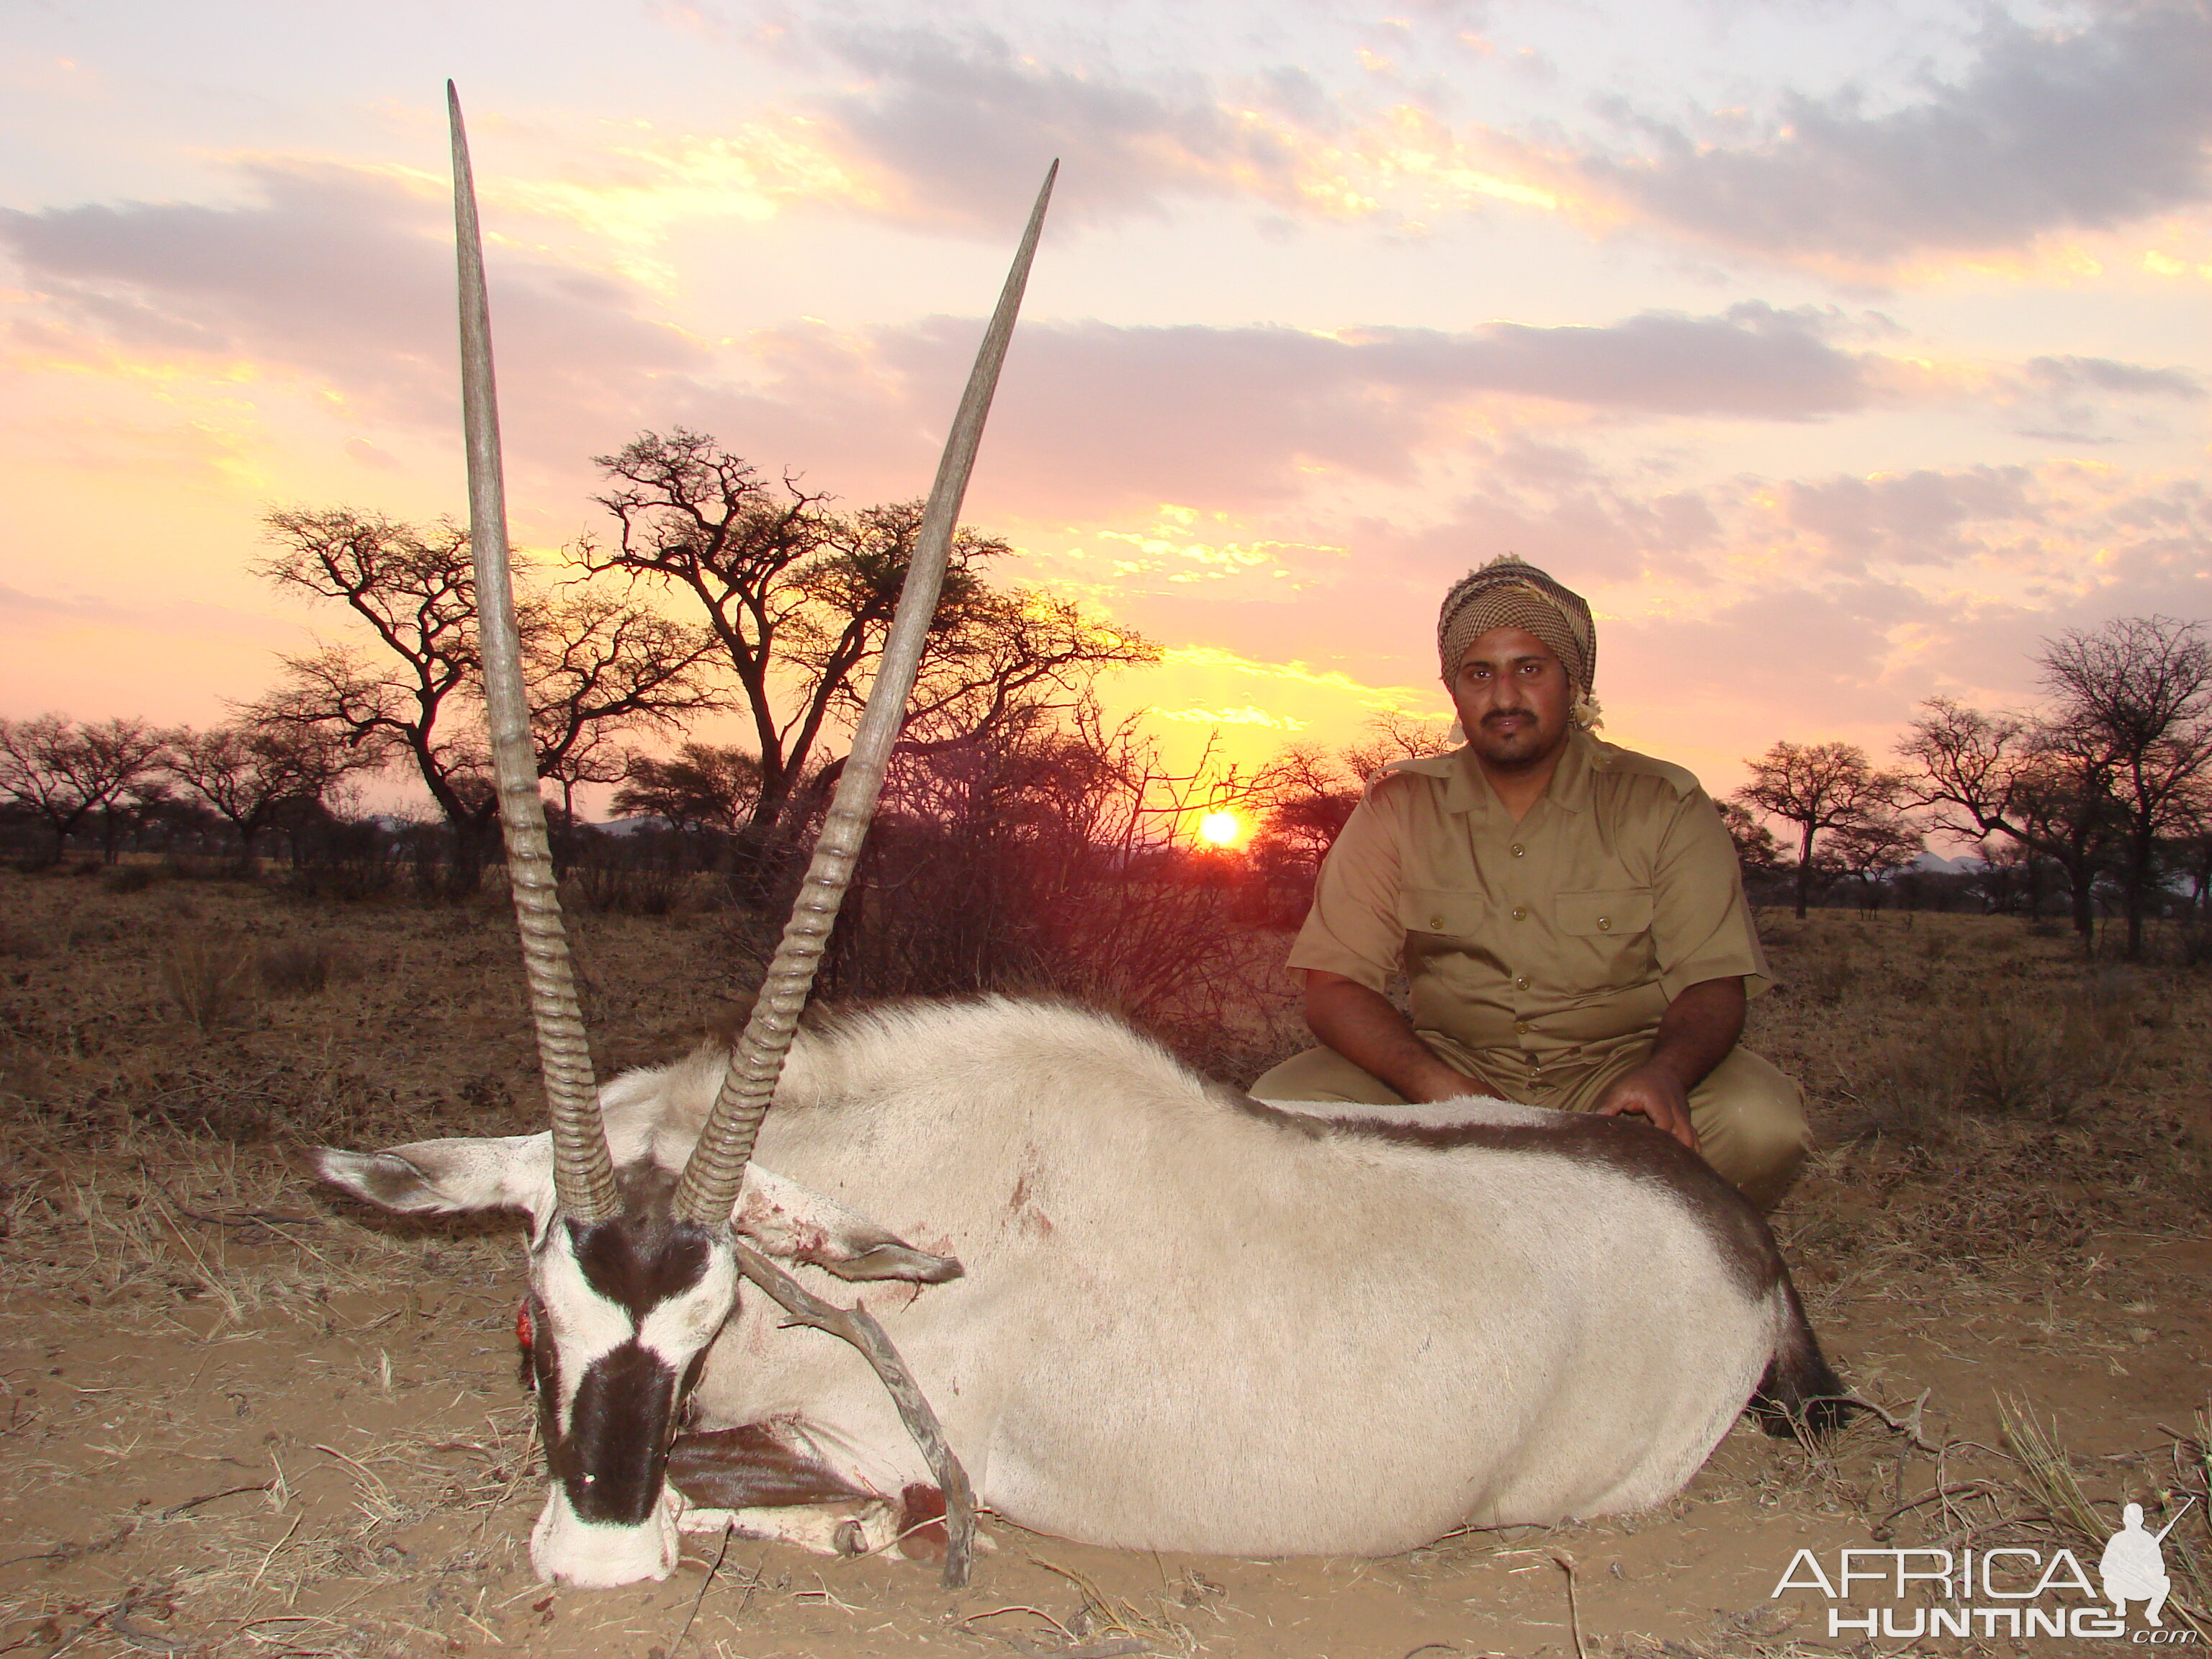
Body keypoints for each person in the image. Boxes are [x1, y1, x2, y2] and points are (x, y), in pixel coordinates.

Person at [1250, 553, 1811, 1211]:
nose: (1505, 697)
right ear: (1453, 689)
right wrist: (1443, 1091)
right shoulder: (1397, 806)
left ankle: (1664, 1258)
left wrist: (1663, 1074)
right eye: (1480, 672)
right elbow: (1335, 986)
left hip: (1618, 1076)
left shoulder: (1664, 801)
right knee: (1280, 1114)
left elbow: (1712, 983)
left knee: (1761, 1124)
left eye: (1530, 668)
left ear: (1573, 683)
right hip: (1449, 1075)